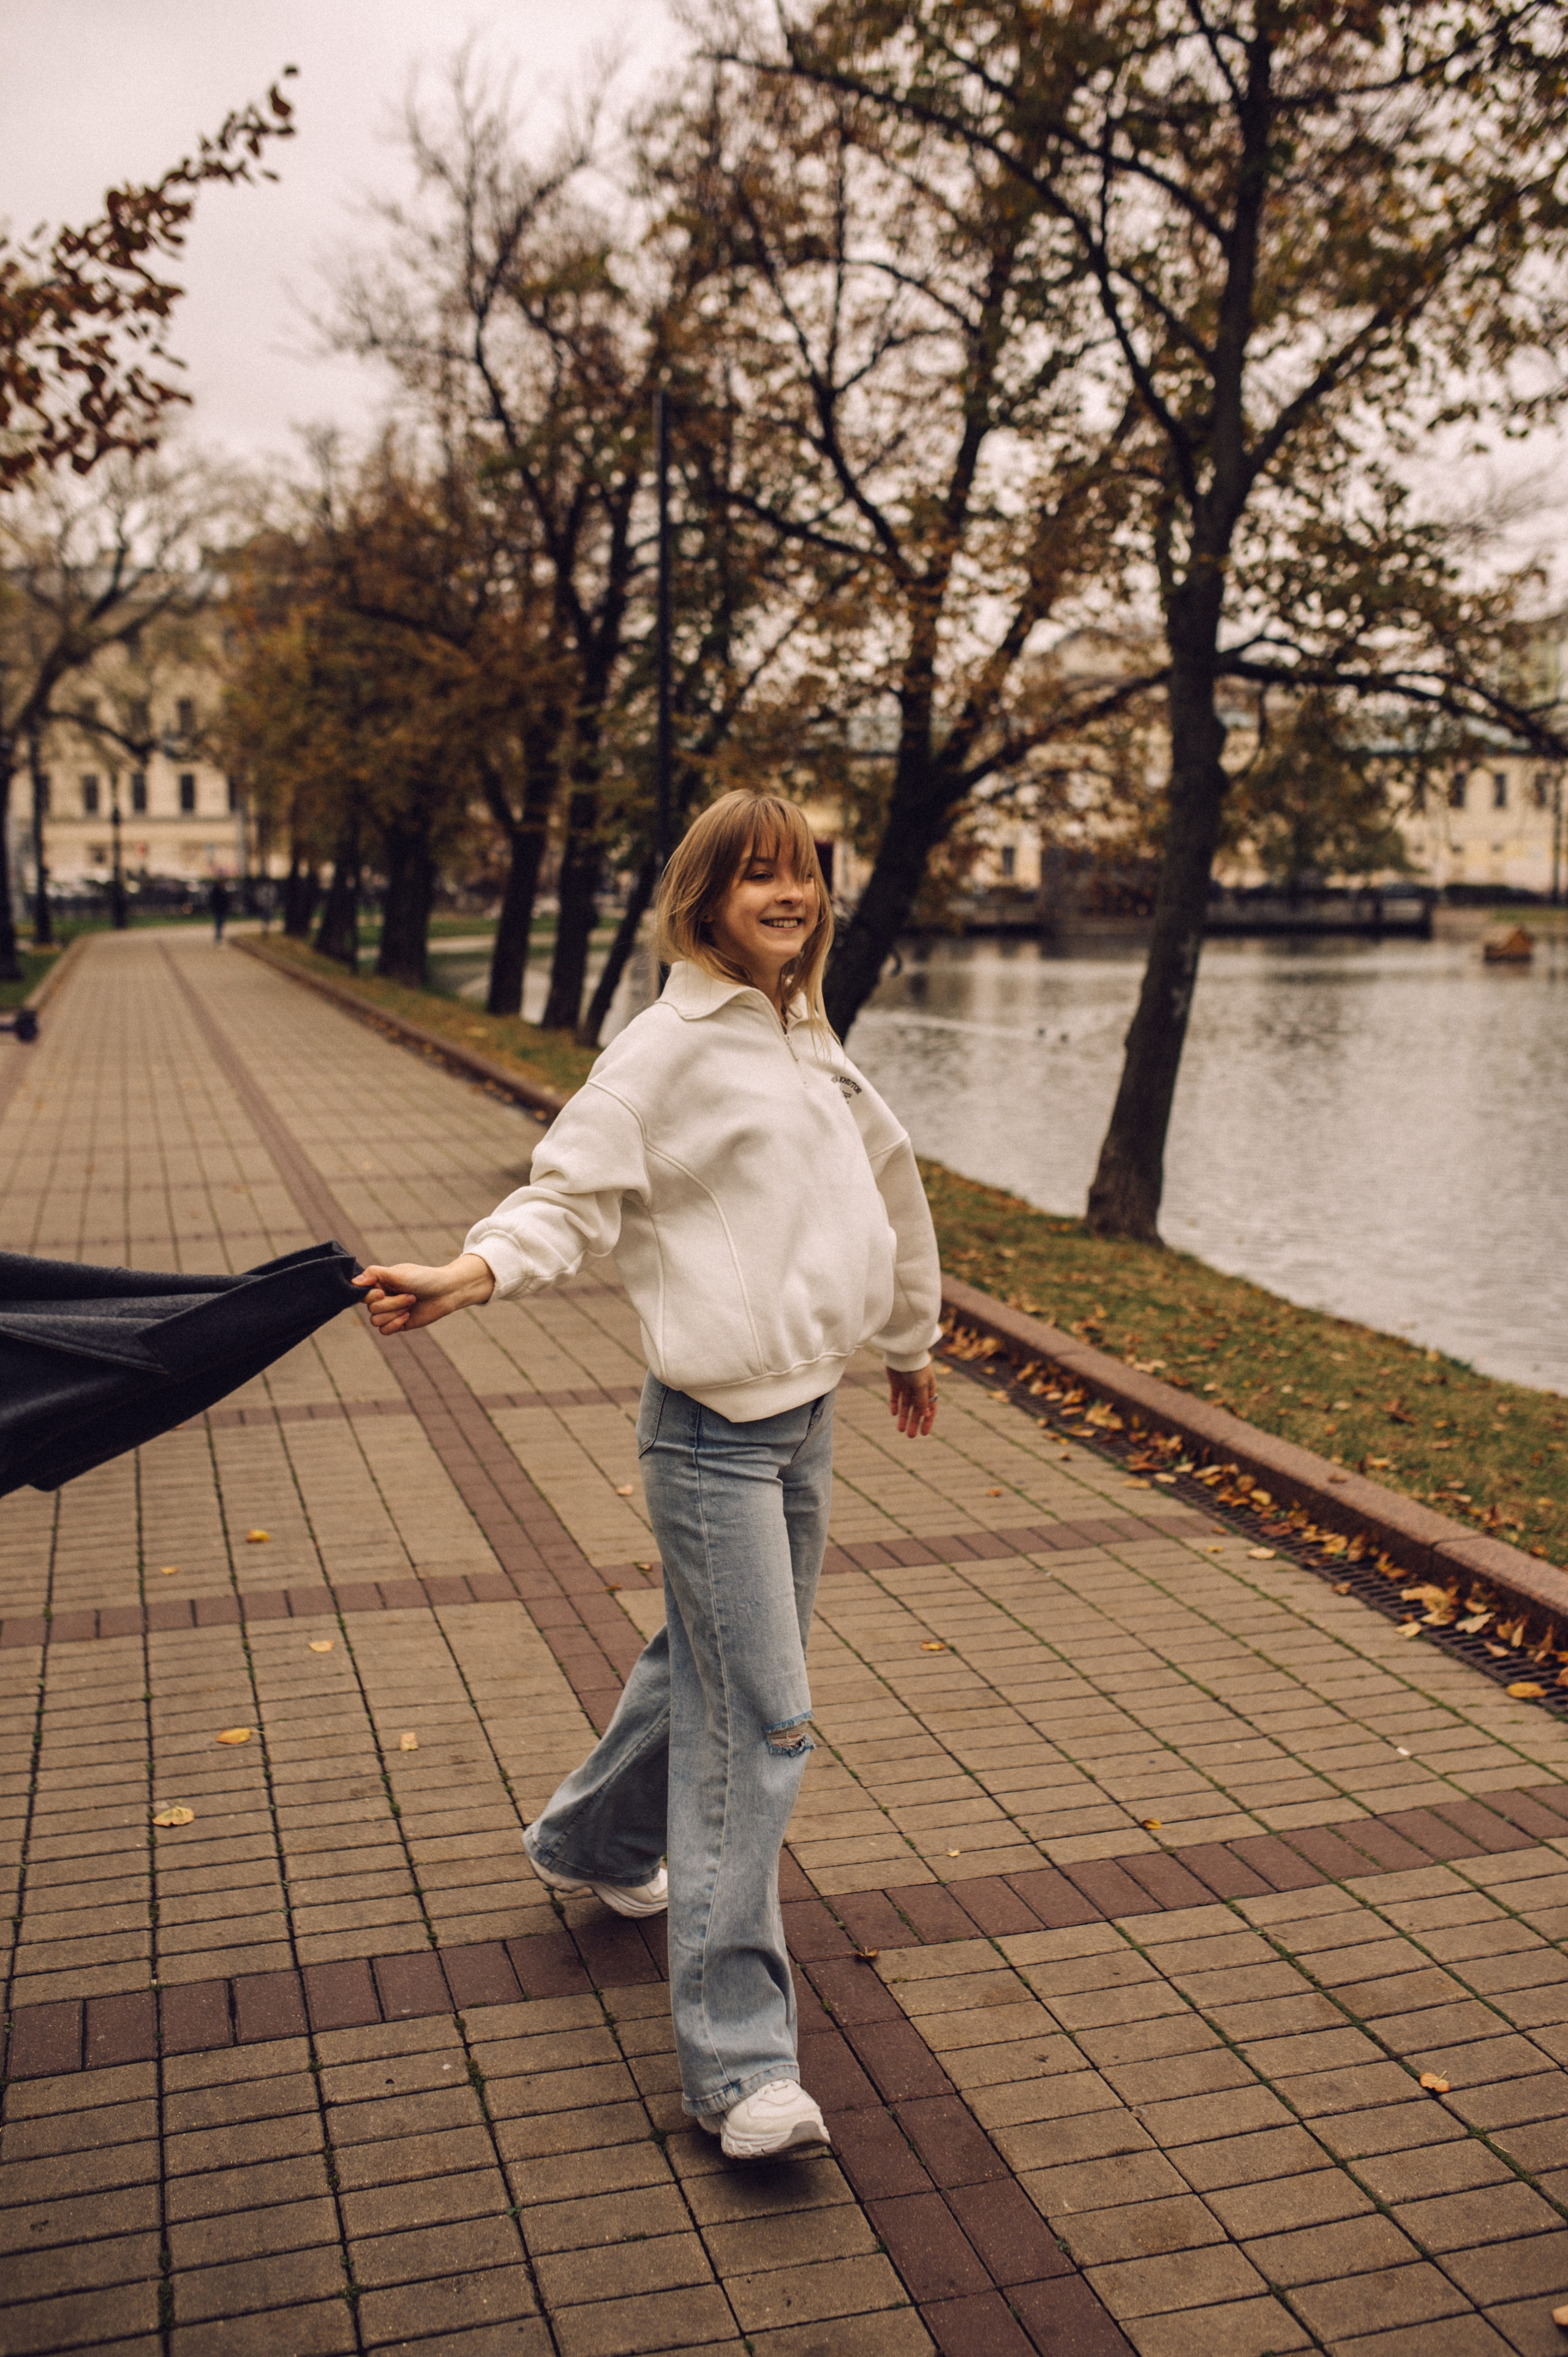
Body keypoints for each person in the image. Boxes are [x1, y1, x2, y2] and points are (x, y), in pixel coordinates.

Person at [353, 791, 941, 2161]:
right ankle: (740, 2070)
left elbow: (879, 1183)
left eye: (799, 875)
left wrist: (905, 1338)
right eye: (756, 878)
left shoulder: (798, 1028)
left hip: (803, 1417)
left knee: (713, 1664)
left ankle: (593, 1842)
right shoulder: (664, 1048)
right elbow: (571, 1190)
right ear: (703, 898)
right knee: (764, 1722)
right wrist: (473, 1268)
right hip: (708, 1437)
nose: (786, 896)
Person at [209, 876, 231, 943]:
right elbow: (213, 900)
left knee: (221, 922)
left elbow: (226, 900)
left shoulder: (223, 890)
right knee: (219, 921)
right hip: (218, 908)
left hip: (222, 908)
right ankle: (218, 935)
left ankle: (219, 934)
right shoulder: (216, 890)